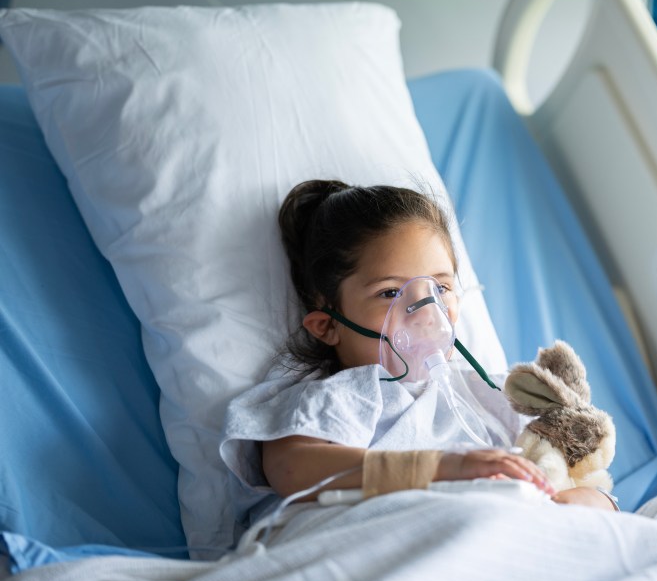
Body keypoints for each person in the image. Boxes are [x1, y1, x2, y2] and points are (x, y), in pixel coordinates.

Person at [220, 179, 615, 530]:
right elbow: (292, 468)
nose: (426, 312)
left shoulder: (486, 396)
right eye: (390, 293)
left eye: (440, 288)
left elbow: (559, 475)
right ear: (328, 325)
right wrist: (445, 468)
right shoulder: (337, 399)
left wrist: (588, 502)